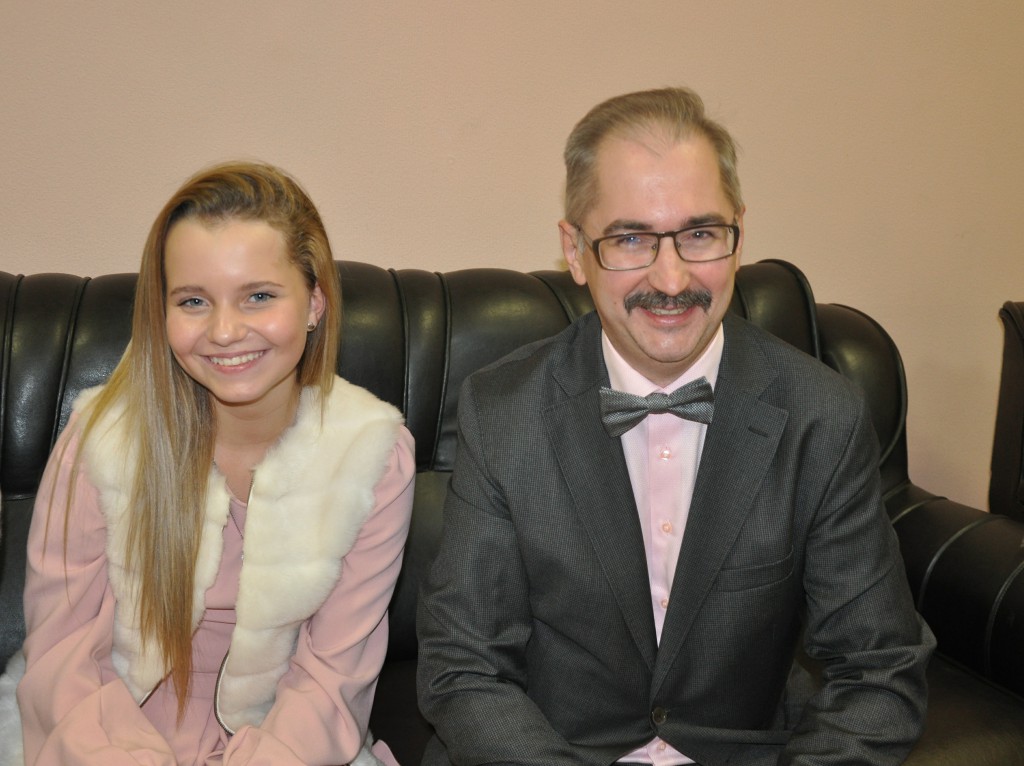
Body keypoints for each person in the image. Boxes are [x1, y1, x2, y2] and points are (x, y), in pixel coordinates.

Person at [416, 87, 934, 765]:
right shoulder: (503, 410)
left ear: (738, 234)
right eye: (630, 238)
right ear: (574, 250)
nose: (671, 278)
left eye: (699, 234)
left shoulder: (822, 414)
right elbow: (463, 667)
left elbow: (880, 669)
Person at [0, 162, 415, 765]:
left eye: (259, 296)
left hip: (284, 742)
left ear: (314, 302)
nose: (224, 331)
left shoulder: (372, 454)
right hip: (99, 733)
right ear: (162, 311)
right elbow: (62, 654)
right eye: (193, 300)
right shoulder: (103, 439)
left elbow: (332, 679)